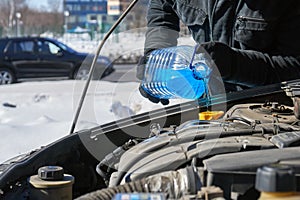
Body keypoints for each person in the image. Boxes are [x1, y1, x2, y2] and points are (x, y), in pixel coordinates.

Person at [137, 0, 300, 105]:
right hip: (210, 106)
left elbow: (295, 68)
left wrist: (235, 66)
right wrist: (155, 51)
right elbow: (162, 7)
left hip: (271, 109)